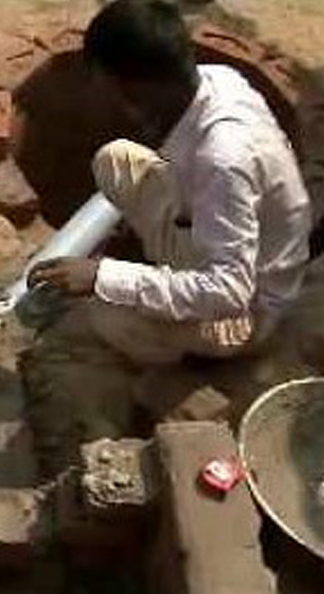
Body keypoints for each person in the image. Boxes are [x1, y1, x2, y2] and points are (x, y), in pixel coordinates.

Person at [22, 0, 312, 474]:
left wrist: (105, 276)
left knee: (96, 319)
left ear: (138, 85)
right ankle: (157, 290)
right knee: (116, 160)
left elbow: (229, 292)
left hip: (245, 310)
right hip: (209, 236)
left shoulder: (225, 158)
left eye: (111, 86)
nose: (111, 99)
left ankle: (153, 387)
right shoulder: (217, 81)